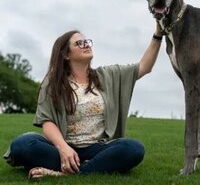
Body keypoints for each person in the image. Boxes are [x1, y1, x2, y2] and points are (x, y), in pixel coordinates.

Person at [3, 23, 163, 179]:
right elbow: (47, 122)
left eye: (86, 41)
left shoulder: (107, 76)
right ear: (66, 54)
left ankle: (67, 172)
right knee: (21, 144)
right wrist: (64, 148)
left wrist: (158, 35)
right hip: (62, 148)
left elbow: (144, 67)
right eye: (79, 43)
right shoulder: (53, 82)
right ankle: (89, 167)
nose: (86, 44)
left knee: (133, 148)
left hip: (97, 148)